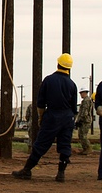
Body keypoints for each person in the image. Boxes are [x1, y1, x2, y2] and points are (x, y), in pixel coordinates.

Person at [12, 53, 78, 182]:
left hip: (52, 115)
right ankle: (61, 173)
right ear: (69, 68)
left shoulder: (49, 80)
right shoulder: (72, 84)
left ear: (57, 64)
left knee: (41, 143)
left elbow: (41, 103)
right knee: (65, 145)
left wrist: (41, 117)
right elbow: (74, 108)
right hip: (67, 117)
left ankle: (27, 170)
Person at [75, 89, 93, 153]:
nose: (80, 95)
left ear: (84, 93)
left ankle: (88, 149)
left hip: (85, 121)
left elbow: (84, 112)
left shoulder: (86, 101)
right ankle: (85, 149)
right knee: (81, 135)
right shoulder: (86, 100)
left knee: (83, 135)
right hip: (84, 120)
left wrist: (80, 120)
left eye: (81, 93)